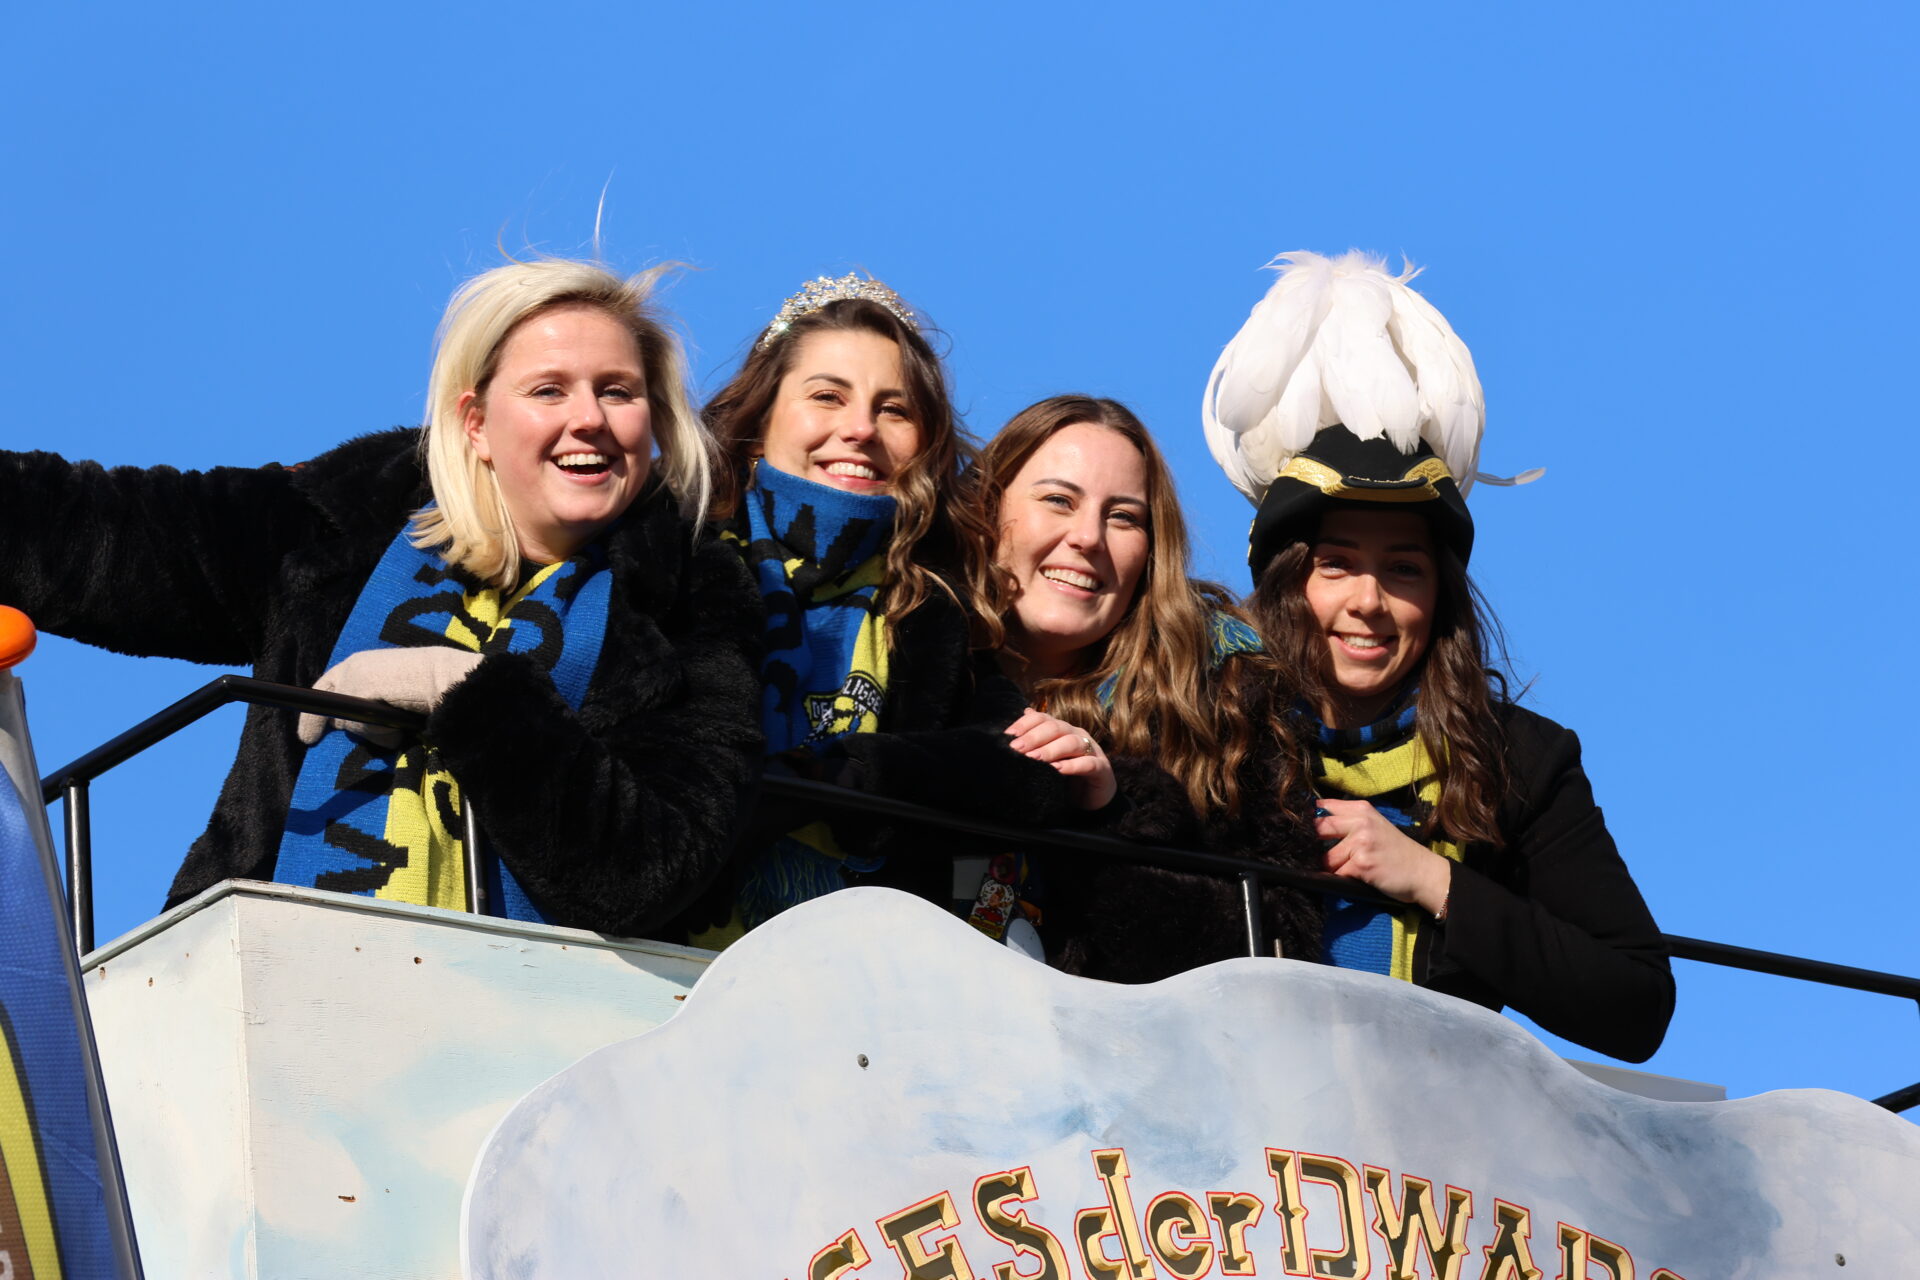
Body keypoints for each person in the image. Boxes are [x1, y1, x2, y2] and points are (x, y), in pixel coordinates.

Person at [0, 258, 764, 936]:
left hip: (549, 1017)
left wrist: (463, 689)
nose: (588, 418)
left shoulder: (695, 598)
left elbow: (646, 873)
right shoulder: (341, 520)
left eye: (618, 391)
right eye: (549, 390)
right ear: (476, 424)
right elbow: (96, 534)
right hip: (269, 977)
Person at [1204, 250, 1672, 1060]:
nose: (1369, 600)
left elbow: (1636, 1002)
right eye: (1336, 565)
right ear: (1287, 583)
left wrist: (1434, 880)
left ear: (1440, 597)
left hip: (1431, 1142)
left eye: (1404, 570)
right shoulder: (1200, 720)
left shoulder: (1521, 760)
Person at [687, 274, 1066, 942]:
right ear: (759, 420)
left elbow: (1021, 768)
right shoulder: (677, 561)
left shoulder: (939, 604)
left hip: (871, 977)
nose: (860, 429)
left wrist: (866, 772)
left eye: (894, 409)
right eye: (827, 396)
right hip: (667, 962)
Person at [960, 394, 1322, 979]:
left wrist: (1113, 817)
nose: (1087, 537)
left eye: (1123, 517)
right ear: (986, 508)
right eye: (1058, 500)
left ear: (1152, 550)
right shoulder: (902, 651)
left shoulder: (1221, 698)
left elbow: (1285, 940)